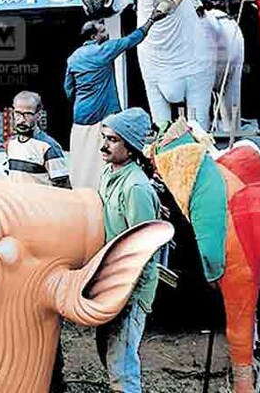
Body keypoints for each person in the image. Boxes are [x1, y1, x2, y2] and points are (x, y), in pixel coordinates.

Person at [96, 108, 162, 392]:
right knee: (108, 351)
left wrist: (126, 292)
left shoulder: (135, 187)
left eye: (112, 140)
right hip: (109, 280)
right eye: (104, 138)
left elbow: (143, 246)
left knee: (121, 363)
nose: (104, 145)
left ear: (130, 146)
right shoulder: (109, 174)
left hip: (129, 286)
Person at [65, 15, 163, 190]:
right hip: (103, 115)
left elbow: (69, 89)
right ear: (94, 37)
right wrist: (151, 20)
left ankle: (82, 192)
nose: (107, 32)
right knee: (104, 156)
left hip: (80, 116)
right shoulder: (104, 50)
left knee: (82, 160)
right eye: (102, 31)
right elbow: (132, 39)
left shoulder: (73, 58)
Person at [5, 91, 71, 188]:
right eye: (18, 113)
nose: (22, 120)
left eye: (28, 114)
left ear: (39, 115)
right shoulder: (11, 144)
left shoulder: (49, 147)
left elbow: (63, 186)